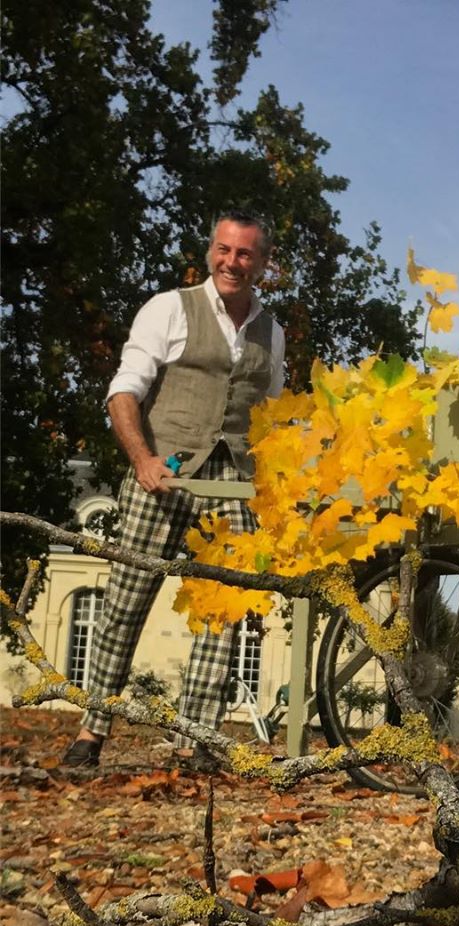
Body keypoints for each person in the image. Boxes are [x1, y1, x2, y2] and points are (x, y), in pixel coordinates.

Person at [61, 210, 285, 771]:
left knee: (223, 611)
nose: (232, 262)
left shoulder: (273, 332)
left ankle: (198, 741)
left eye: (245, 254)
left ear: (262, 262)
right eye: (224, 250)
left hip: (232, 480)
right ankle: (92, 729)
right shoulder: (168, 308)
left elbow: (272, 417)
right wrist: (142, 459)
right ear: (212, 251)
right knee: (124, 603)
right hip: (165, 474)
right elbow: (123, 391)